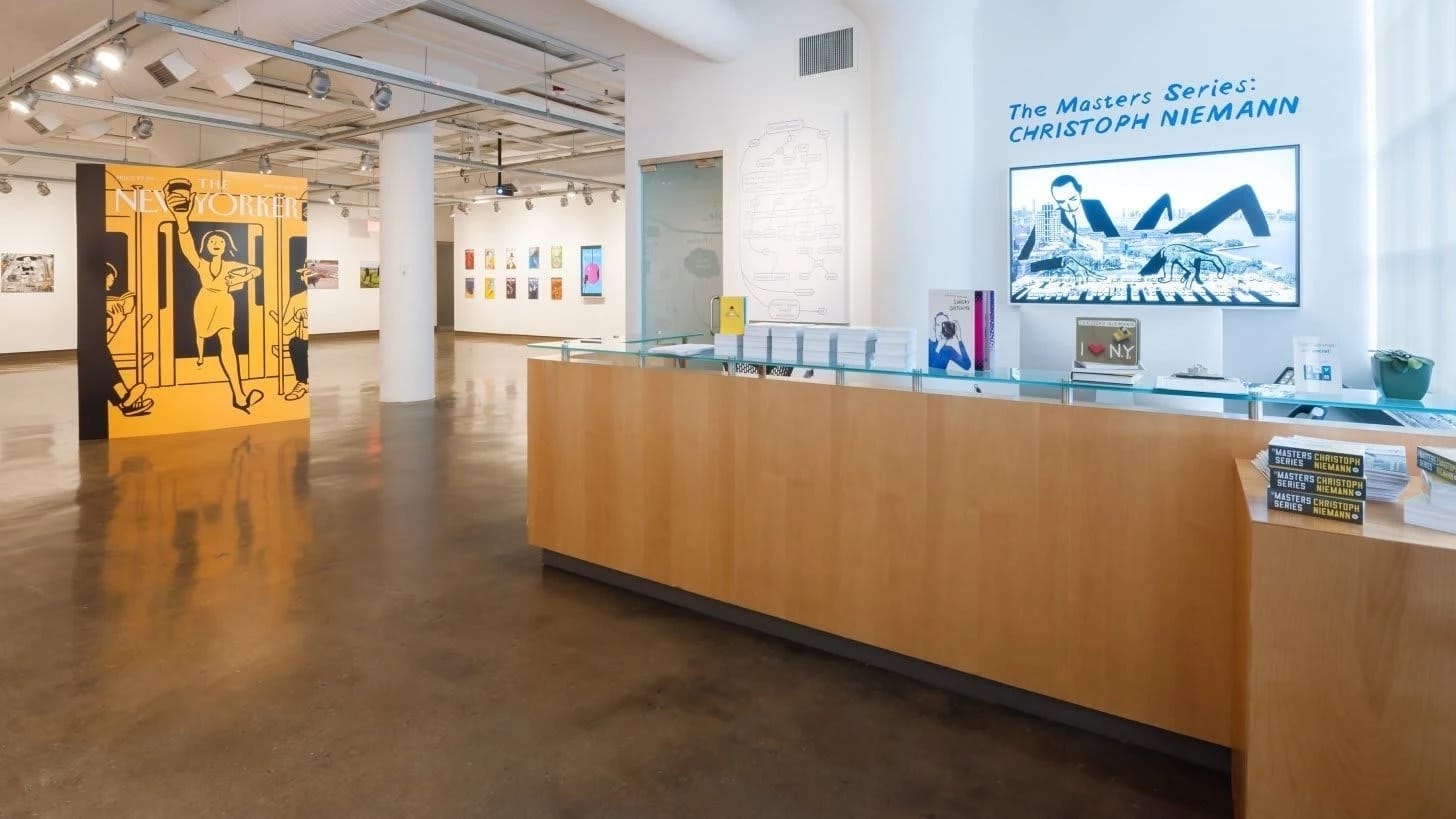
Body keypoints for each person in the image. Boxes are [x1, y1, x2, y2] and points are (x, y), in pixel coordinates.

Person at [166, 189, 265, 413]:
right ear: (207, 246)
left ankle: (239, 394)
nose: (216, 243)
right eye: (212, 241)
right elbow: (187, 248)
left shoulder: (231, 265)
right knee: (200, 334)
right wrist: (182, 220)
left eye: (220, 240)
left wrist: (239, 277)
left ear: (226, 244)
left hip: (224, 302)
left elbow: (257, 270)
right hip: (204, 300)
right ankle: (200, 356)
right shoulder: (201, 264)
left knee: (227, 343)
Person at [270, 268, 309, 401]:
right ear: (302, 278)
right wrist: (297, 318)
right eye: (307, 274)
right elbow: (286, 329)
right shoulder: (296, 300)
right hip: (304, 339)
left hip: (321, 339)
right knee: (295, 344)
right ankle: (302, 383)